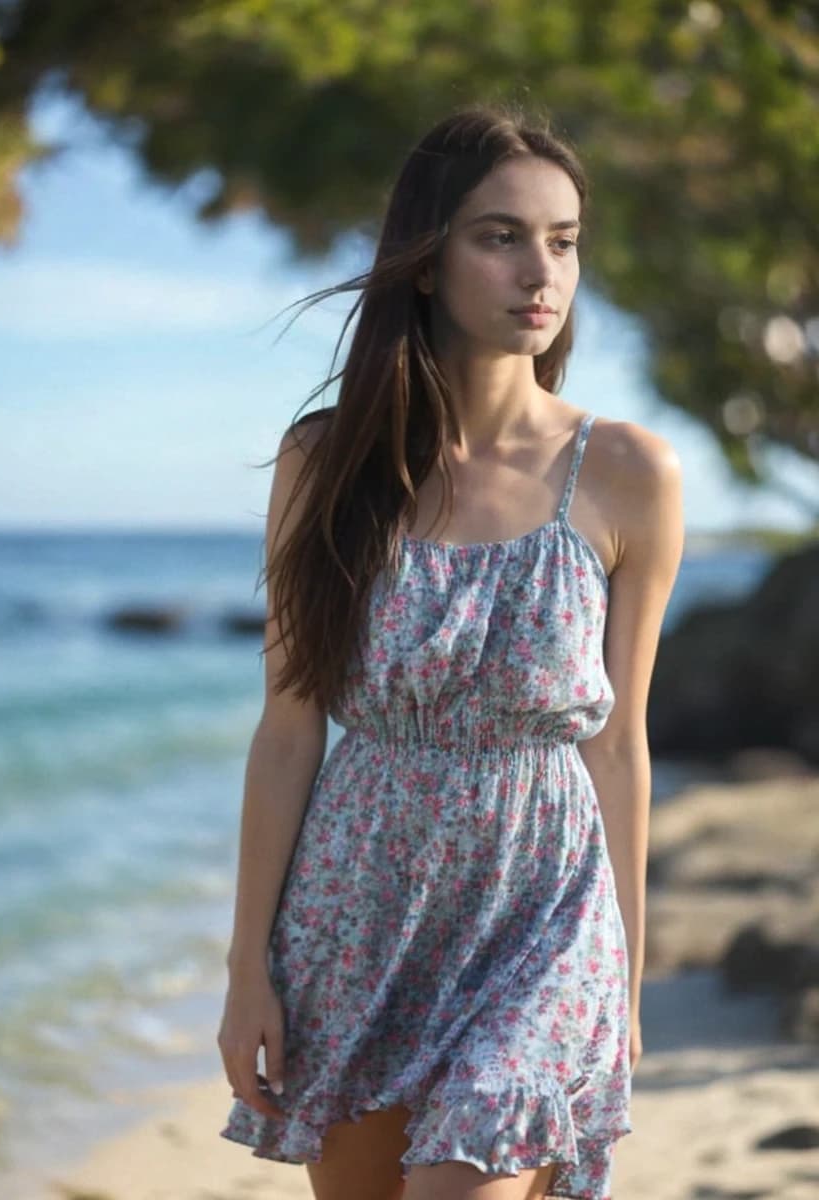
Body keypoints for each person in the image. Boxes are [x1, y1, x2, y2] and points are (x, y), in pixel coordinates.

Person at [217, 101, 684, 1200]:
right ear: (423, 263)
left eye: (562, 242)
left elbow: (619, 747)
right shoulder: (327, 460)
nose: (541, 271)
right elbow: (289, 728)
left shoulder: (629, 473)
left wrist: (623, 984)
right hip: (360, 902)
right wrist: (248, 970)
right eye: (500, 236)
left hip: (544, 908)